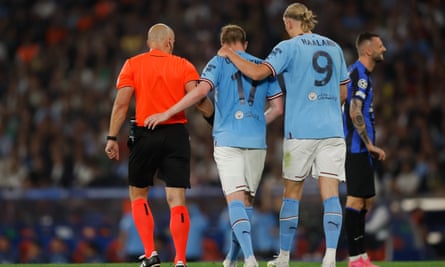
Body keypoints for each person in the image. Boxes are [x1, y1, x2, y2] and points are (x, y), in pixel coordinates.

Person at [217, 3, 350, 267]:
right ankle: (331, 258)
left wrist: (231, 55)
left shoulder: (287, 47)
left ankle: (285, 257)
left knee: (292, 193)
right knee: (331, 193)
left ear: (289, 22)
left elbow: (257, 72)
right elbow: (343, 92)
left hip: (301, 131)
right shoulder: (334, 47)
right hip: (333, 130)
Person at [145, 24, 284, 267]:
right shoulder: (263, 66)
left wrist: (168, 112)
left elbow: (200, 94)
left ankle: (249, 259)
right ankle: (233, 257)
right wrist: (259, 121)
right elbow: (278, 108)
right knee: (246, 202)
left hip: (228, 139)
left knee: (235, 200)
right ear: (246, 44)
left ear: (223, 43)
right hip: (256, 141)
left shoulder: (218, 62)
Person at [104, 23, 208, 267]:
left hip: (144, 133)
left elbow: (121, 105)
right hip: (176, 133)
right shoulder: (184, 65)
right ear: (170, 42)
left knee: (138, 195)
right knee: (177, 199)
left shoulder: (133, 64)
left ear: (149, 41)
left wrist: (111, 137)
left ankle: (151, 254)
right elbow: (198, 101)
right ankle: (180, 259)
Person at [342, 32, 387, 267]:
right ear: (368, 50)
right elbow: (354, 110)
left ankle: (361, 256)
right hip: (357, 146)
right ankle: (355, 257)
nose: (385, 49)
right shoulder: (359, 75)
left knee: (366, 201)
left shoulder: (361, 74)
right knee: (355, 201)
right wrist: (368, 143)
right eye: (381, 45)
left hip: (361, 147)